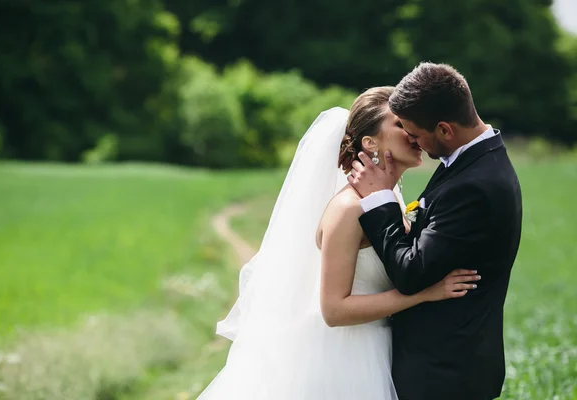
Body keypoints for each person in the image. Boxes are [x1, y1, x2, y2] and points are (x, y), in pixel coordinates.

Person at [197, 85, 480, 400]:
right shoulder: (348, 209)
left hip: (379, 347)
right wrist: (424, 295)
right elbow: (333, 309)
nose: (413, 132)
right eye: (400, 124)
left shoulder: (387, 200)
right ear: (370, 143)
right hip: (343, 357)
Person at [349, 63, 522, 400]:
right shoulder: (472, 162)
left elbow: (411, 273)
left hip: (445, 372)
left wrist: (378, 199)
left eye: (414, 133)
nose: (411, 140)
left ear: (444, 130)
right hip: (443, 366)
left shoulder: (475, 184)